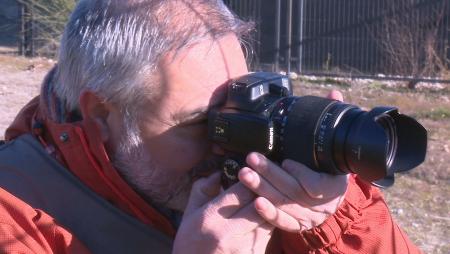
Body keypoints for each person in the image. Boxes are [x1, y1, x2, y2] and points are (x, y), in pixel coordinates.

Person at [0, 0, 420, 253]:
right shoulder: (16, 211)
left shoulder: (256, 179)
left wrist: (332, 223)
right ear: (101, 115)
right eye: (204, 122)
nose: (230, 143)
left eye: (243, 105)